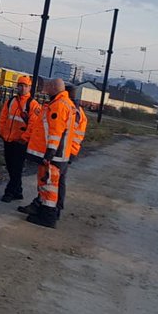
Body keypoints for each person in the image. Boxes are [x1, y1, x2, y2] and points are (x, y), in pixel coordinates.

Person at [18, 78, 74, 228]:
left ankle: (48, 217)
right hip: (56, 154)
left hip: (53, 155)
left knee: (49, 185)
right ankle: (44, 212)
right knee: (46, 184)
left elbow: (55, 132)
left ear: (54, 88)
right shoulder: (61, 103)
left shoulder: (59, 106)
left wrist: (49, 153)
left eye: (48, 86)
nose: (45, 88)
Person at [0, 75, 39, 203]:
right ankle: (18, 190)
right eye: (20, 85)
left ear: (29, 88)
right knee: (11, 166)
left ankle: (9, 192)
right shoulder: (10, 102)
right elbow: (3, 118)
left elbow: (33, 124)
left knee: (16, 167)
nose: (22, 88)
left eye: (25, 86)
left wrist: (24, 138)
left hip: (20, 142)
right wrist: (2, 132)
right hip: (8, 139)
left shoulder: (33, 104)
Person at [56, 85, 88, 217]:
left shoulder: (71, 110)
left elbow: (64, 131)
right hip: (71, 150)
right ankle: (58, 205)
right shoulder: (79, 111)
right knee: (60, 179)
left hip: (65, 150)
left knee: (56, 180)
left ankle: (55, 206)